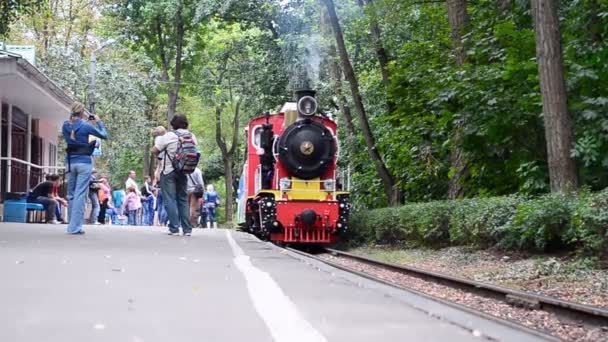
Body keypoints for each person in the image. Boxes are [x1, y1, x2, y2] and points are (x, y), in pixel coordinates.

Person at [62, 101, 108, 235]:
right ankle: (74, 227)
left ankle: (72, 224)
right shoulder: (86, 126)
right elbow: (104, 135)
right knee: (80, 195)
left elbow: (72, 135)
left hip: (70, 163)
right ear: (82, 113)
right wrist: (98, 122)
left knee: (71, 194)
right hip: (84, 163)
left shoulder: (65, 125)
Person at [152, 113, 197, 236]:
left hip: (169, 171)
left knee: (170, 199)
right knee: (183, 199)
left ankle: (174, 228)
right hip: (184, 171)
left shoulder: (169, 136)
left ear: (173, 124)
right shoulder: (192, 136)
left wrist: (162, 154)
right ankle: (187, 229)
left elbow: (155, 150)